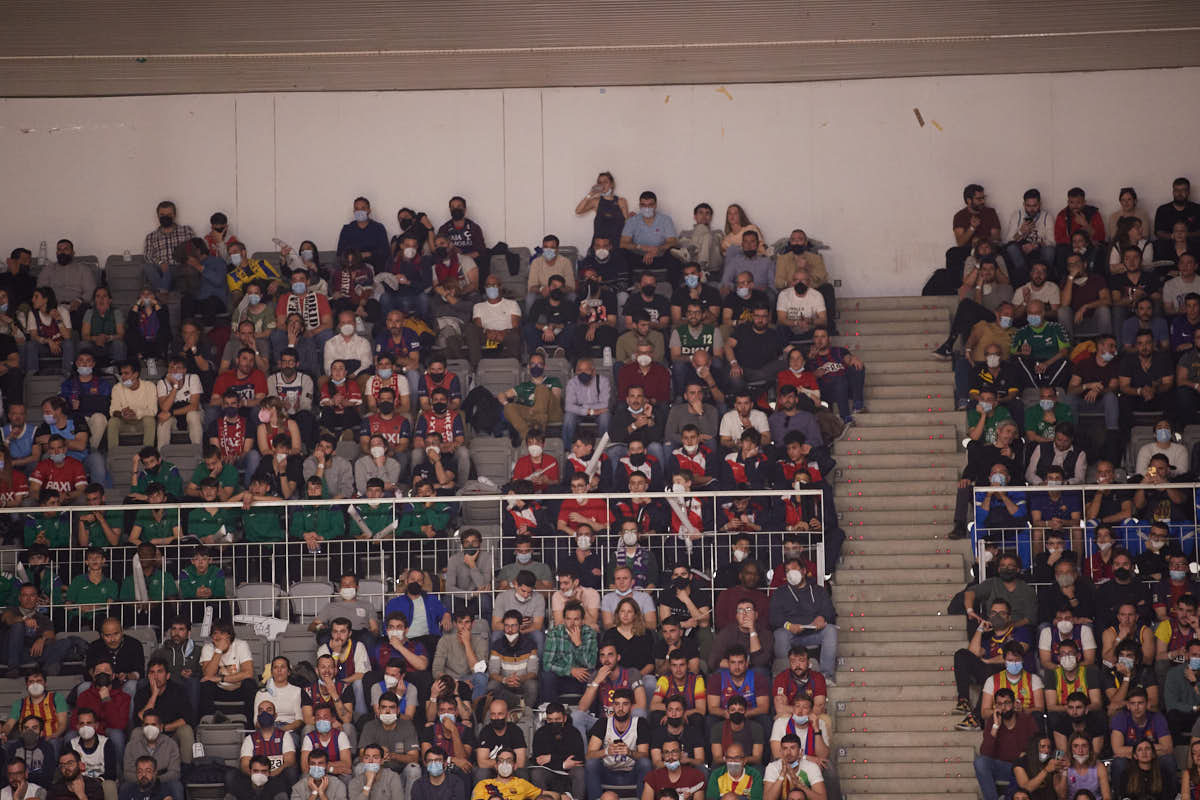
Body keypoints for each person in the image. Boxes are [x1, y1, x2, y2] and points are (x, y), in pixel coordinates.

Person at [761, 733, 824, 800]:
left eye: (792, 748)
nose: (788, 752)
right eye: (785, 748)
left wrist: (799, 785)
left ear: (800, 752)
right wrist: (782, 775)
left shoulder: (811, 767)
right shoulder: (772, 767)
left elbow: (823, 799)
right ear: (781, 752)